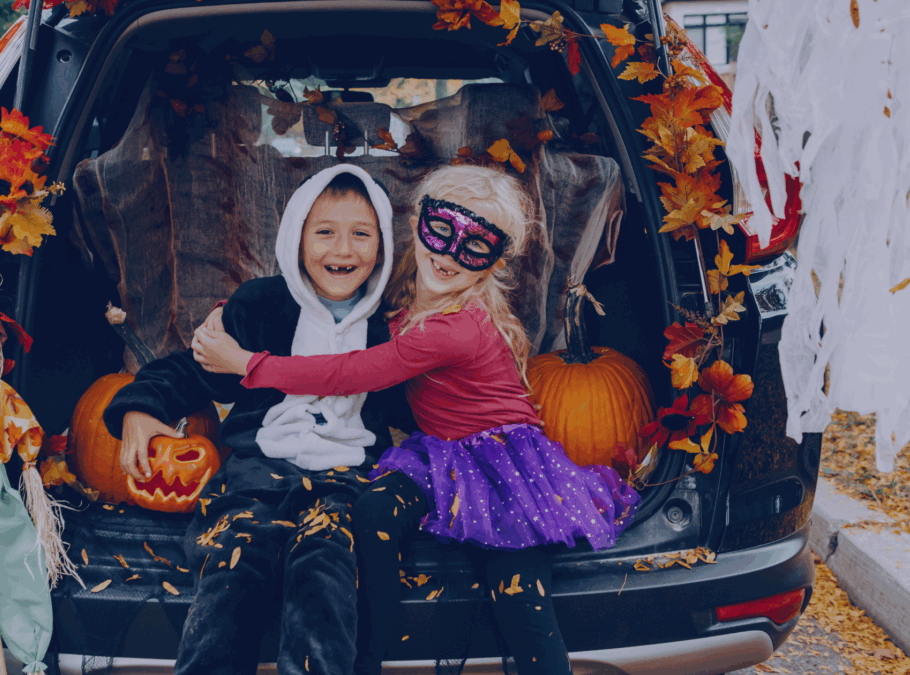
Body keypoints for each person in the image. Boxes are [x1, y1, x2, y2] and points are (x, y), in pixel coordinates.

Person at [192, 164, 641, 675]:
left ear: (493, 261)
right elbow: (323, 306)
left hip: (501, 464)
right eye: (442, 231)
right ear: (417, 226)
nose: (449, 254)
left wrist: (247, 363)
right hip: (440, 451)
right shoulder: (409, 284)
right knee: (374, 513)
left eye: (474, 247)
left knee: (518, 595)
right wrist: (241, 309)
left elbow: (351, 370)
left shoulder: (455, 328)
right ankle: (366, 660)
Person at [103, 165, 405, 675]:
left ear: (383, 244)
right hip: (255, 470)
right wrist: (140, 407)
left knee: (326, 568)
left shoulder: (392, 323)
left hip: (344, 478)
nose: (343, 250)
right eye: (325, 232)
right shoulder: (262, 305)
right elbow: (193, 369)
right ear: (296, 237)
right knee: (234, 562)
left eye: (361, 234)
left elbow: (419, 400)